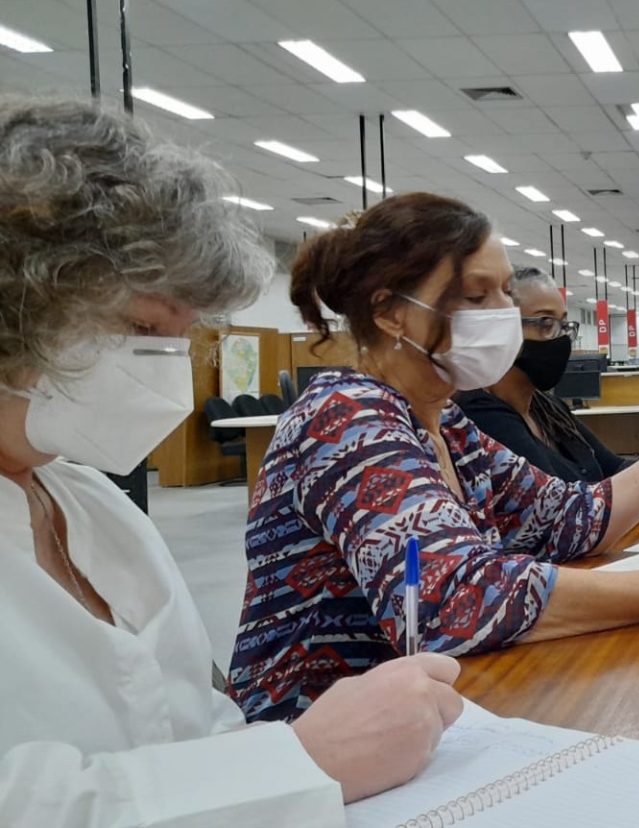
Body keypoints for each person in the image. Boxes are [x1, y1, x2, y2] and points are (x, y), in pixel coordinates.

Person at [0, 97, 465, 824]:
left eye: (177, 339)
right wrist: (297, 764)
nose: (165, 372)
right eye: (140, 330)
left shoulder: (94, 509)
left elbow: (194, 729)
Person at [229, 193, 639, 723]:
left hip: (434, 716)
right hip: (323, 746)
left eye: (503, 293)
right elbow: (455, 604)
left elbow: (578, 518)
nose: (501, 314)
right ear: (391, 313)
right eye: (475, 295)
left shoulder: (445, 422)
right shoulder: (346, 417)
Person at [458, 267, 639, 513]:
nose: (561, 339)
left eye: (564, 325)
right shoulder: (481, 416)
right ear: (501, 328)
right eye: (546, 322)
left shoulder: (547, 407)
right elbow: (574, 508)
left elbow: (613, 468)